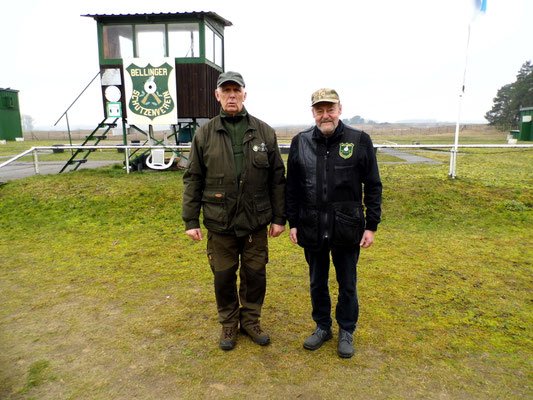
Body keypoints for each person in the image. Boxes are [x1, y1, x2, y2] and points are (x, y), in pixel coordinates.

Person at [182, 71, 286, 351]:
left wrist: (279, 218)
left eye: (236, 91)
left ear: (244, 94)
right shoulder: (205, 133)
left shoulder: (264, 131)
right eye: (225, 91)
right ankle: (229, 322)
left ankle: (251, 320)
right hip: (220, 221)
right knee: (224, 275)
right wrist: (191, 219)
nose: (231, 95)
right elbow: (193, 177)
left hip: (256, 221)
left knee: (255, 274)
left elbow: (277, 178)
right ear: (217, 95)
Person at [286, 88, 382, 358]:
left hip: (347, 227)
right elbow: (291, 186)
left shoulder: (359, 140)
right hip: (311, 225)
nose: (325, 115)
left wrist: (371, 225)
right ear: (313, 113)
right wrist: (293, 221)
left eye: (330, 109)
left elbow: (373, 185)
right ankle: (322, 326)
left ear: (340, 109)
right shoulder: (300, 141)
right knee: (317, 281)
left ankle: (347, 330)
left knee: (347, 283)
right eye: (319, 109)